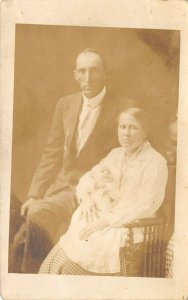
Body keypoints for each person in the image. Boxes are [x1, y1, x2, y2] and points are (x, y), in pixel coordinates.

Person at [11, 48, 136, 273]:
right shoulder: (65, 104)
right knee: (33, 216)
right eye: (82, 71)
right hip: (65, 189)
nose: (88, 78)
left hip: (99, 195)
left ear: (106, 73)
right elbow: (52, 152)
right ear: (75, 75)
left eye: (94, 71)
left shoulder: (124, 108)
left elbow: (129, 160)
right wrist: (34, 193)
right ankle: (33, 285)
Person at [39, 108, 168, 275]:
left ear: (145, 131)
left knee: (78, 256)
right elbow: (89, 177)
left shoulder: (155, 163)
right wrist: (86, 198)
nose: (126, 133)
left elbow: (147, 206)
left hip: (128, 226)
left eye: (133, 127)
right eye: (122, 127)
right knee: (62, 253)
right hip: (102, 220)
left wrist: (107, 221)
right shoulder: (116, 154)